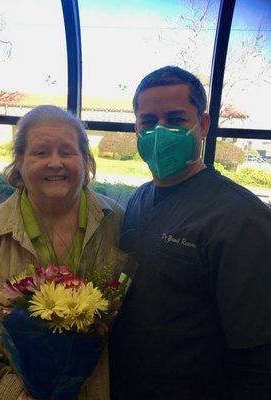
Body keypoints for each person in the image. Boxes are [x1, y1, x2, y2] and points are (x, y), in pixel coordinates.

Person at [109, 66, 271, 399]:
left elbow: (259, 358)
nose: (159, 132)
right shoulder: (138, 198)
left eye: (176, 120)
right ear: (136, 128)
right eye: (149, 122)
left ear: (204, 125)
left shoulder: (240, 218)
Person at [0, 105, 124, 400]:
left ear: (85, 160)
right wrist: (9, 392)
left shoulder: (119, 224)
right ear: (19, 162)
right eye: (41, 152)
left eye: (67, 151)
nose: (55, 163)